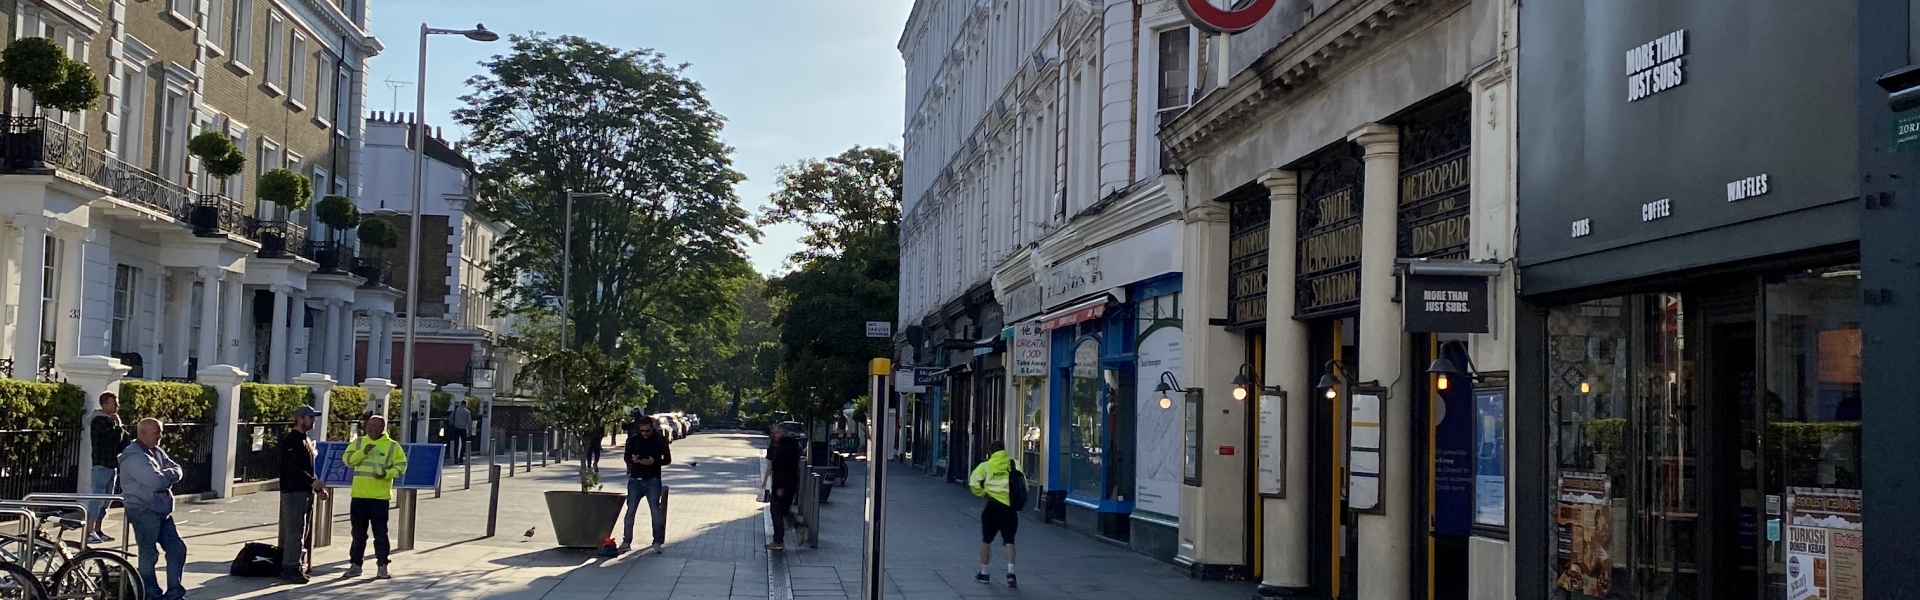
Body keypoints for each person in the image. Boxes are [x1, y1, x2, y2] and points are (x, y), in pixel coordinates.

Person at [120, 418, 187, 600]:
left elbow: (177, 469)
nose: (160, 437)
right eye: (156, 432)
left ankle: (174, 593)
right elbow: (156, 481)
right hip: (143, 510)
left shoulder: (155, 451)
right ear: (142, 433)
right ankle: (150, 593)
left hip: (161, 511)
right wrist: (169, 475)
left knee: (177, 549)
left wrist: (168, 474)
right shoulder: (134, 456)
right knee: (149, 553)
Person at [343, 416, 406, 579]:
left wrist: (386, 474)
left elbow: (401, 466)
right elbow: (348, 460)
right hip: (359, 495)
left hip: (379, 497)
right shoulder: (358, 443)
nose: (369, 428)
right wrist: (363, 452)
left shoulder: (392, 446)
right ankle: (355, 565)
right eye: (368, 425)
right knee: (358, 534)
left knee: (380, 534)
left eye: (374, 426)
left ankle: (382, 566)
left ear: (382, 428)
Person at [278, 406, 328, 584]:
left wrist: (317, 488)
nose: (313, 420)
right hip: (293, 491)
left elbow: (306, 468)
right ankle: (290, 567)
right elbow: (293, 469)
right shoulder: (292, 441)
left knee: (302, 530)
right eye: (310, 417)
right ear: (300, 419)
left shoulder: (305, 440)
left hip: (303, 491)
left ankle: (295, 564)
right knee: (294, 531)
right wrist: (312, 482)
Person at [968, 441, 1018, 589]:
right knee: (1009, 540)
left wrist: (983, 493)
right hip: (1009, 507)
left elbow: (973, 483)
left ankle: (984, 573)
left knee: (986, 540)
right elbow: (1023, 484)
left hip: (992, 505)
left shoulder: (986, 466)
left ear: (990, 452)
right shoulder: (1014, 464)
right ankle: (1011, 573)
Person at [620, 417, 672, 553]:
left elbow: (667, 459)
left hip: (652, 479)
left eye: (647, 430)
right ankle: (626, 541)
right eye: (642, 431)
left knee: (655, 511)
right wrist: (633, 460)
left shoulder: (660, 440)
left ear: (652, 427)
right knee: (630, 511)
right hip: (635, 479)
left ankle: (657, 541)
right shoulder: (633, 440)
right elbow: (626, 457)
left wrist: (653, 461)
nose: (645, 433)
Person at [86, 391, 128, 544]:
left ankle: (98, 529)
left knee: (106, 500)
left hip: (111, 464)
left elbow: (123, 440)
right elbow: (111, 439)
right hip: (101, 464)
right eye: (113, 402)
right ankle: (89, 530)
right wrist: (118, 426)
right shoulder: (99, 421)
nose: (117, 405)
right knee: (97, 497)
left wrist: (118, 426)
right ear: (104, 404)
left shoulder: (110, 421)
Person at [762, 422, 804, 551]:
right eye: (774, 432)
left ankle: (778, 540)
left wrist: (765, 482)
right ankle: (798, 527)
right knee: (784, 510)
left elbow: (771, 466)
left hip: (781, 484)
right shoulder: (793, 445)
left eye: (777, 432)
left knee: (776, 510)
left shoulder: (776, 448)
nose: (775, 435)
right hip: (791, 483)